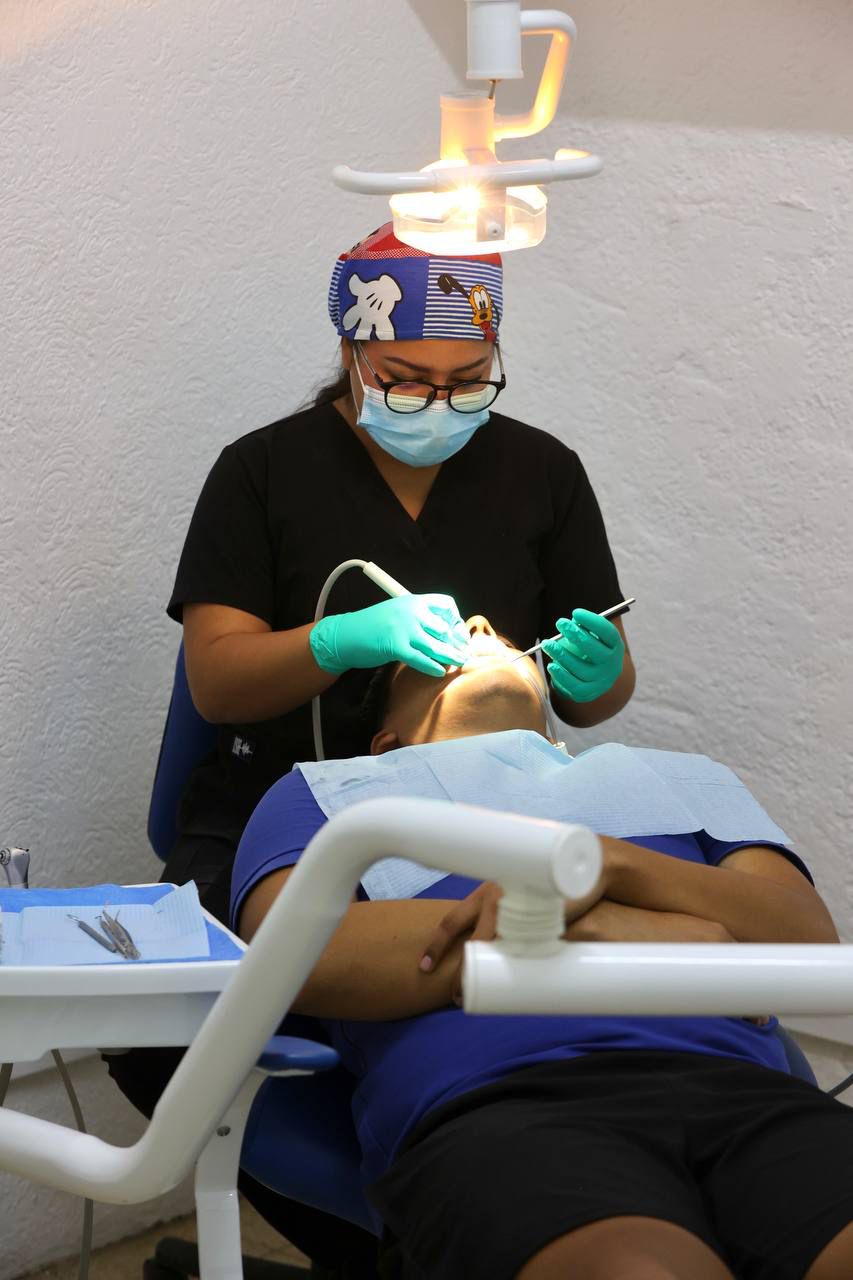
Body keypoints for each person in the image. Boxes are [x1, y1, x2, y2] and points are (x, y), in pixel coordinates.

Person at [106, 224, 634, 1271]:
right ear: (352, 352)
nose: (440, 402)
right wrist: (340, 639)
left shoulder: (543, 472)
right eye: (406, 378)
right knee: (164, 1034)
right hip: (276, 811)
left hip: (488, 815)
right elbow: (217, 680)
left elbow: (601, 698)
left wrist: (594, 674)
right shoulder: (261, 473)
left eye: (467, 380)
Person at [231, 616, 853, 1280]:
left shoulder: (678, 776)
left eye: (498, 633)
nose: (478, 622)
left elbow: (803, 941)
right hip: (504, 1109)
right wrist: (629, 926)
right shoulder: (328, 794)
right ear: (387, 742)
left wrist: (607, 866)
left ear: (553, 729)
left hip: (744, 1094)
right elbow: (301, 956)